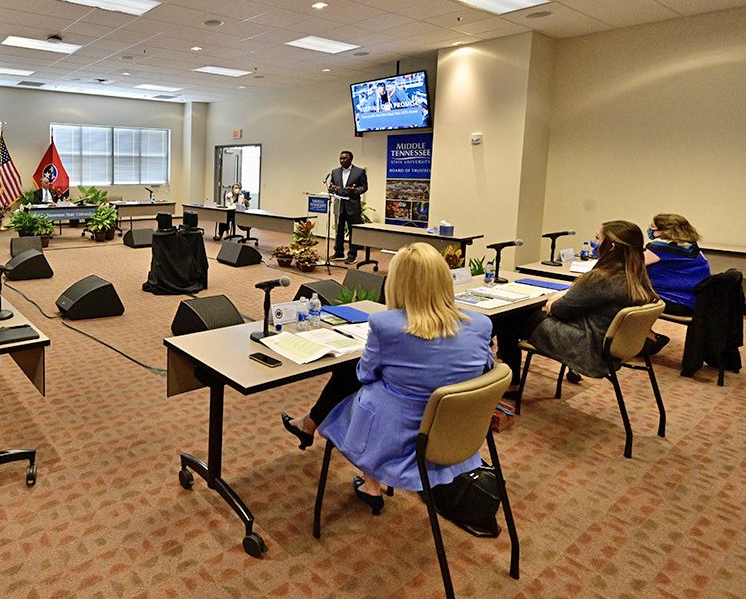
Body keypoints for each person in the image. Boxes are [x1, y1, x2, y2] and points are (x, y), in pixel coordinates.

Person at [284, 244, 493, 513]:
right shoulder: (481, 325)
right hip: (454, 434)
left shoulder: (386, 325)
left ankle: (315, 429)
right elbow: (486, 370)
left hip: (397, 437)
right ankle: (363, 478)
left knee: (355, 381)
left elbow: (365, 374)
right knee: (380, 390)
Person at [491, 220, 658, 391]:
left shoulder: (602, 278)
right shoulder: (636, 276)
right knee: (520, 317)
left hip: (586, 347)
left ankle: (508, 382)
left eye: (597, 238)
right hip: (603, 343)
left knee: (508, 319)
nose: (594, 242)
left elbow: (560, 310)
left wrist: (557, 298)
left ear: (611, 247)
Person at [645, 213, 710, 317]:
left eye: (652, 227)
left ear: (664, 231)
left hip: (674, 302)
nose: (649, 229)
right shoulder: (693, 249)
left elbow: (631, 266)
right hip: (696, 304)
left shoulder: (660, 249)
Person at [328, 150, 368, 263]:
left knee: (353, 231)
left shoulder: (359, 172)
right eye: (340, 158)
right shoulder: (335, 172)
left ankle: (352, 255)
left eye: (344, 158)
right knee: (339, 230)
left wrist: (355, 190)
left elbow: (364, 187)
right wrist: (332, 189)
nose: (341, 161)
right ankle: (338, 252)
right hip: (339, 205)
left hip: (353, 206)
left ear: (350, 159)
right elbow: (331, 187)